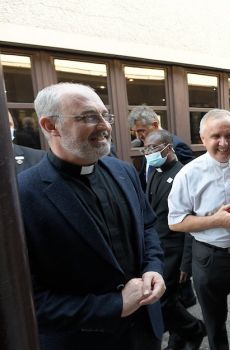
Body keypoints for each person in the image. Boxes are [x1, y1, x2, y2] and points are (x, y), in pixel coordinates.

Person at [17, 82, 166, 350]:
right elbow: (28, 302)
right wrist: (114, 306)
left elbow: (147, 228)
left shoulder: (123, 171)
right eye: (88, 117)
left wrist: (153, 269)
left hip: (146, 333)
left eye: (104, 115)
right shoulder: (23, 195)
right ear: (50, 126)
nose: (105, 126)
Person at [168, 109, 230, 349]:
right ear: (203, 139)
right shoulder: (188, 174)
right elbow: (175, 221)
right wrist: (217, 221)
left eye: (229, 135)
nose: (224, 143)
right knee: (215, 322)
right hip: (209, 257)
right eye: (216, 136)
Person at [143, 129, 206, 350]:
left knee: (163, 300)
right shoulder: (154, 172)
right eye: (146, 148)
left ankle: (195, 329)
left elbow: (191, 220)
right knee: (170, 299)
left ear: (168, 148)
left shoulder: (183, 174)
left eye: (153, 148)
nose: (148, 152)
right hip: (157, 248)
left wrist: (186, 262)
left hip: (175, 249)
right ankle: (181, 339)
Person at [128, 105, 195, 190]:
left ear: (155, 125)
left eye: (141, 131)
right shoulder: (146, 144)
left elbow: (192, 178)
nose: (138, 136)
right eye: (135, 132)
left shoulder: (178, 146)